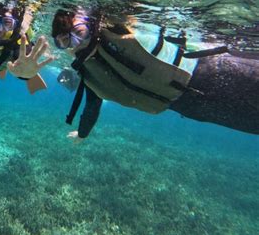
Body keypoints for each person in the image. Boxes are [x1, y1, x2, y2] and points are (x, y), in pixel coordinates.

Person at [51, 8, 259, 141]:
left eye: (79, 33)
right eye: (65, 42)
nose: (79, 44)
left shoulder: (119, 27)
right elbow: (91, 105)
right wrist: (82, 134)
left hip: (211, 71)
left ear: (91, 25)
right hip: (191, 107)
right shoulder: (90, 69)